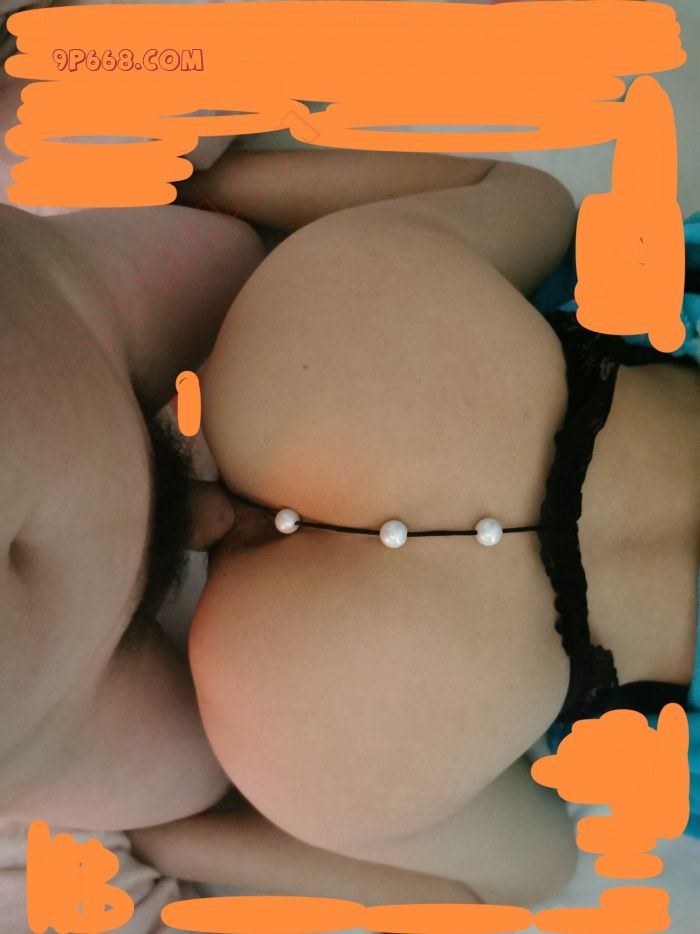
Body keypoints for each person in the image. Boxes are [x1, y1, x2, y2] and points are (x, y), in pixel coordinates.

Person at [127, 148, 699, 908]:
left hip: (384, 379)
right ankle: (148, 825)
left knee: (536, 871)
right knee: (532, 873)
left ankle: (140, 822)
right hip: (350, 677)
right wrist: (198, 187)